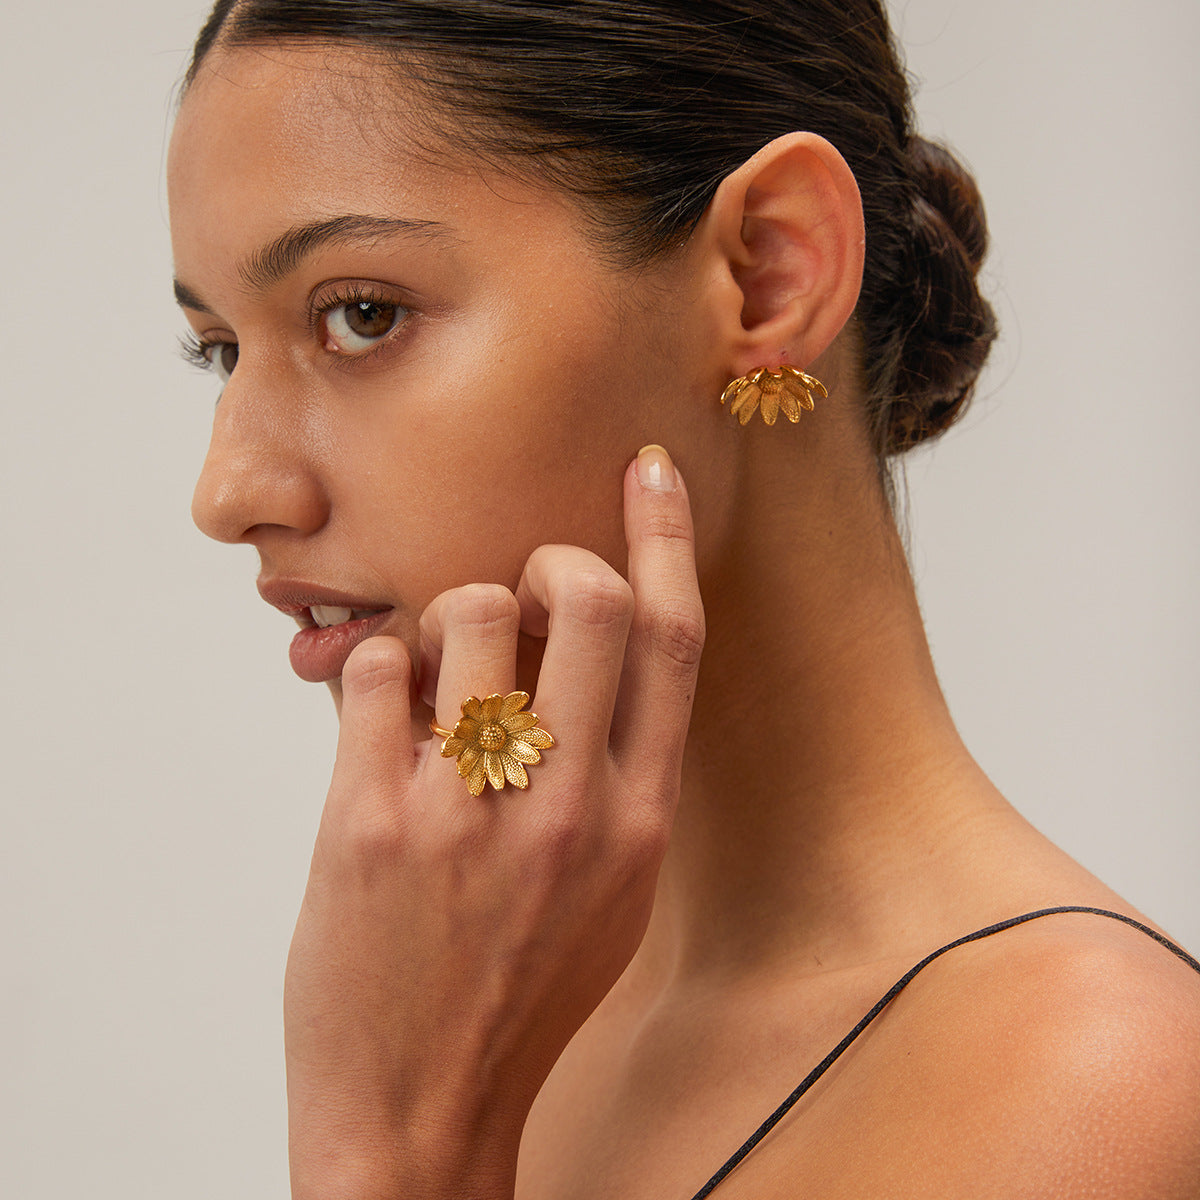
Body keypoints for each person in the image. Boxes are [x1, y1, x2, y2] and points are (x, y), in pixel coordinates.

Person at [168, 2, 1200, 1196]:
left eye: (363, 314)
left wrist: (395, 1152)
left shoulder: (1095, 1097)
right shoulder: (499, 993)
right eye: (219, 350)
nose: (229, 489)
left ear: (770, 274)